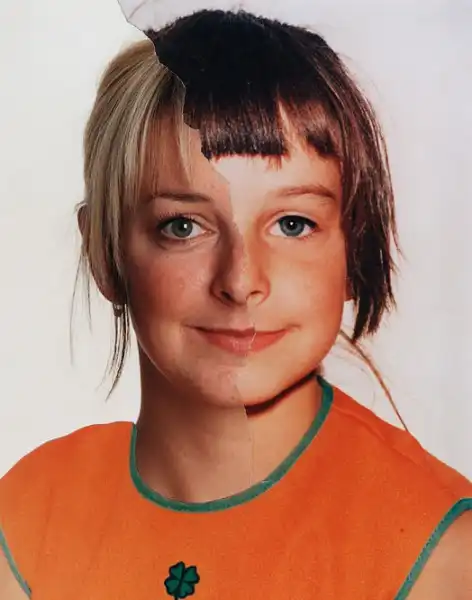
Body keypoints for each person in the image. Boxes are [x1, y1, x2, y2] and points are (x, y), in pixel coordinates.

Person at [0, 9, 471, 600]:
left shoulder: (441, 557)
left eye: (293, 223)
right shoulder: (24, 523)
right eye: (183, 226)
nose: (242, 280)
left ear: (355, 250)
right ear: (104, 251)